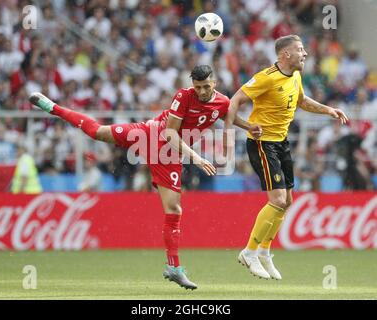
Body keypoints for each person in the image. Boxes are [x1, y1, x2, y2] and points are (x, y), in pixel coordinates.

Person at [29, 65, 262, 290]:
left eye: (206, 86)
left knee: (174, 210)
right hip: (151, 136)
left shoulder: (222, 101)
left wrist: (249, 126)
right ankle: (53, 107)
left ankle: (173, 267)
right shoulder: (183, 96)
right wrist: (197, 158)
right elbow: (170, 133)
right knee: (99, 132)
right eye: (198, 86)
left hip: (168, 156)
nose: (201, 91)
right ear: (193, 84)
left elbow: (225, 114)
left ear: (214, 83)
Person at [224, 35, 348, 280]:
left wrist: (328, 110)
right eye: (300, 50)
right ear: (285, 54)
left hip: (281, 143)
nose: (305, 54)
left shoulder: (296, 76)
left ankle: (264, 251)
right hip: (263, 143)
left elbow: (302, 101)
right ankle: (249, 252)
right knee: (278, 198)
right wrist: (238, 128)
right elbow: (235, 99)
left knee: (288, 200)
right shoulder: (266, 77)